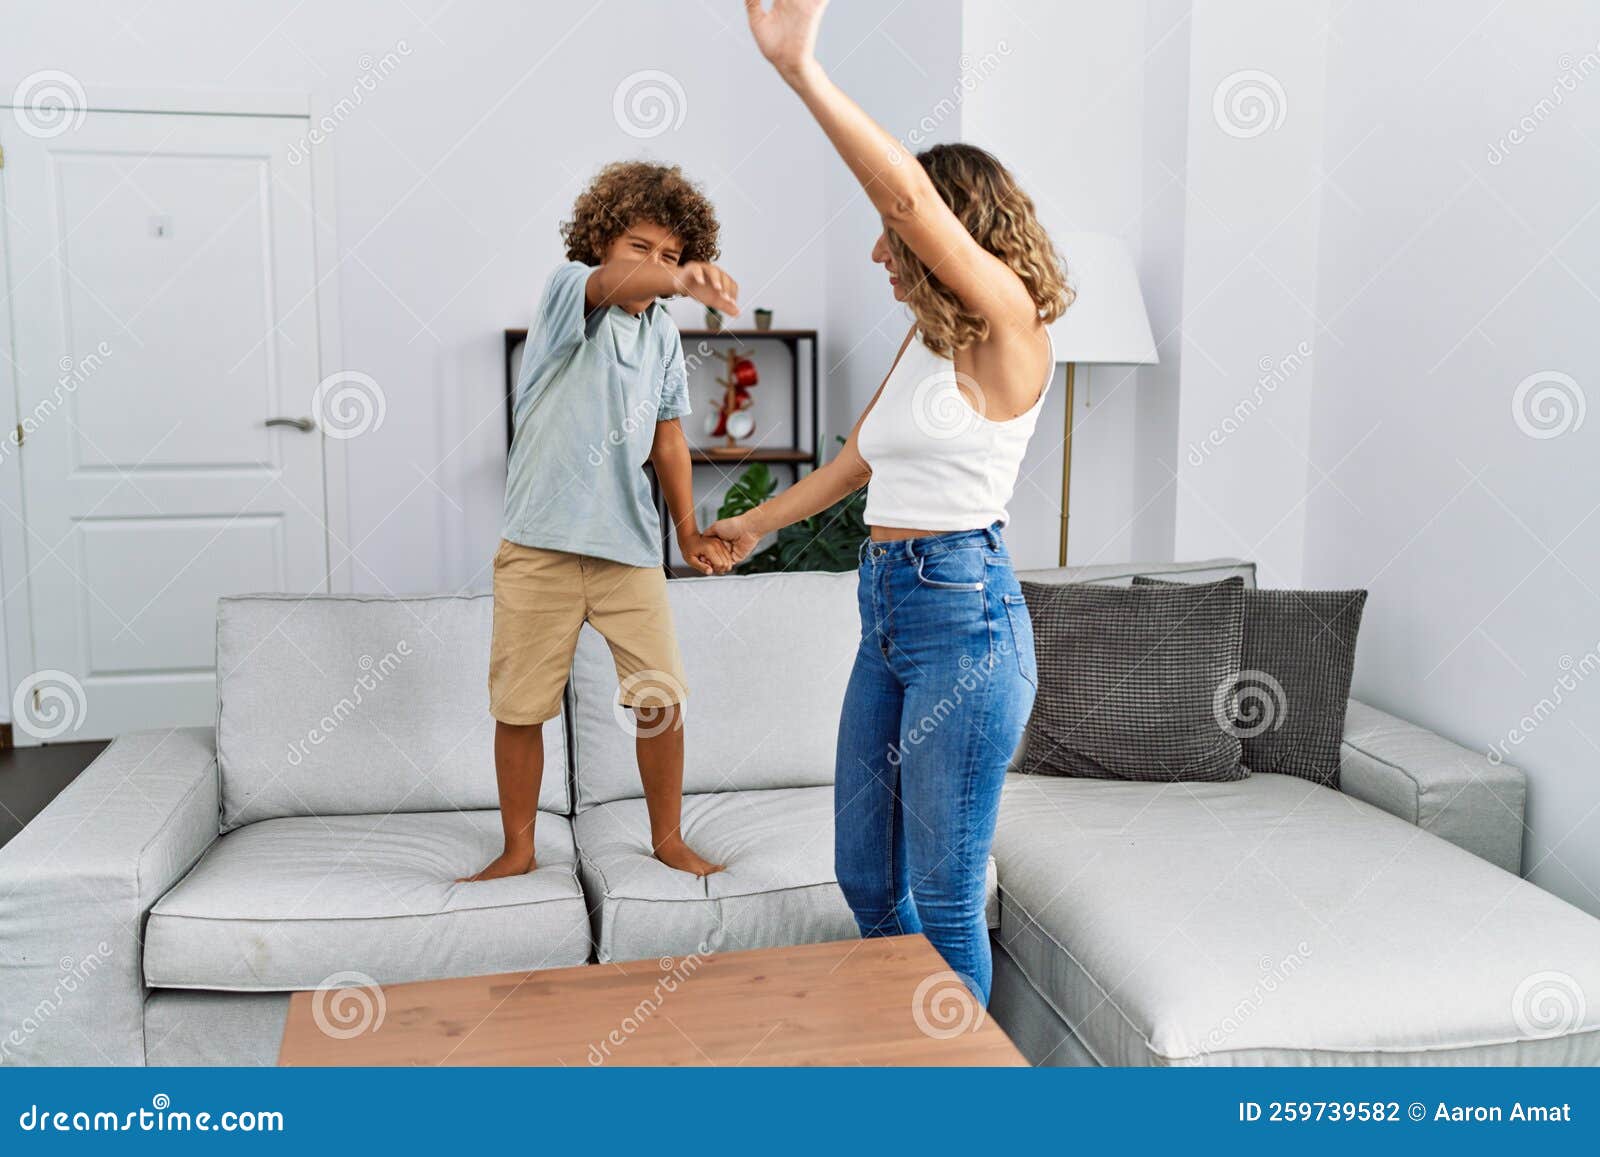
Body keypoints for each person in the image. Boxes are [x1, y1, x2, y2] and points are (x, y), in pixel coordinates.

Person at [710, 0, 1072, 1001]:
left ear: (948, 230)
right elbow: (853, 463)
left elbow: (909, 203)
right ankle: (915, 1047)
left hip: (965, 614)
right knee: (867, 875)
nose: (879, 251)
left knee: (943, 890)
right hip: (889, 607)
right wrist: (751, 522)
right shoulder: (928, 339)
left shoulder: (1012, 330)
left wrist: (800, 72)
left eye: (888, 234)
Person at [462, 161, 739, 883]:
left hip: (628, 549)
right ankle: (519, 849)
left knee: (660, 697)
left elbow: (671, 440)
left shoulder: (665, 341)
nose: (655, 266)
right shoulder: (569, 294)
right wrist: (674, 281)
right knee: (521, 706)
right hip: (539, 545)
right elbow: (612, 286)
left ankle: (668, 839)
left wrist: (686, 529)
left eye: (672, 255)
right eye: (638, 247)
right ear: (600, 243)